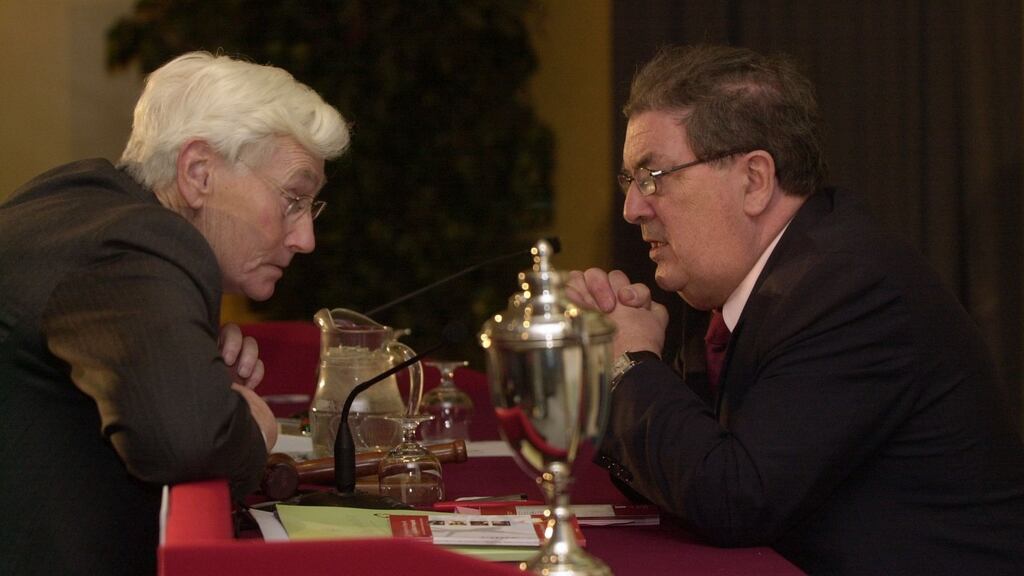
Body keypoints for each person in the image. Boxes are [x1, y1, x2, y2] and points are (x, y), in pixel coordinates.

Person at [568, 44, 1024, 575]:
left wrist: (630, 364)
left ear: (754, 180)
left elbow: (734, 499)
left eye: (653, 177)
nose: (632, 208)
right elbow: (692, 471)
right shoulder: (740, 283)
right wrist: (626, 361)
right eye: (630, 180)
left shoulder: (852, 289)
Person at [0, 51, 350, 575]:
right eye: (293, 199)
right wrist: (250, 428)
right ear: (198, 172)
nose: (305, 238)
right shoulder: (138, 241)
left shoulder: (80, 202)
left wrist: (200, 380)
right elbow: (186, 443)